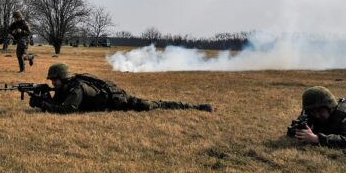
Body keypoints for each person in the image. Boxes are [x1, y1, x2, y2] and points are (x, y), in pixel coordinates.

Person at [29, 63, 214, 114]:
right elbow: (59, 102)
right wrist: (41, 99)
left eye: (54, 80)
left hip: (119, 101)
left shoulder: (77, 88)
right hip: (108, 100)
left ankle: (196, 107)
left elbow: (68, 109)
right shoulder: (68, 87)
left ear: (63, 78)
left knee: (152, 105)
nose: (52, 83)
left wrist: (45, 105)